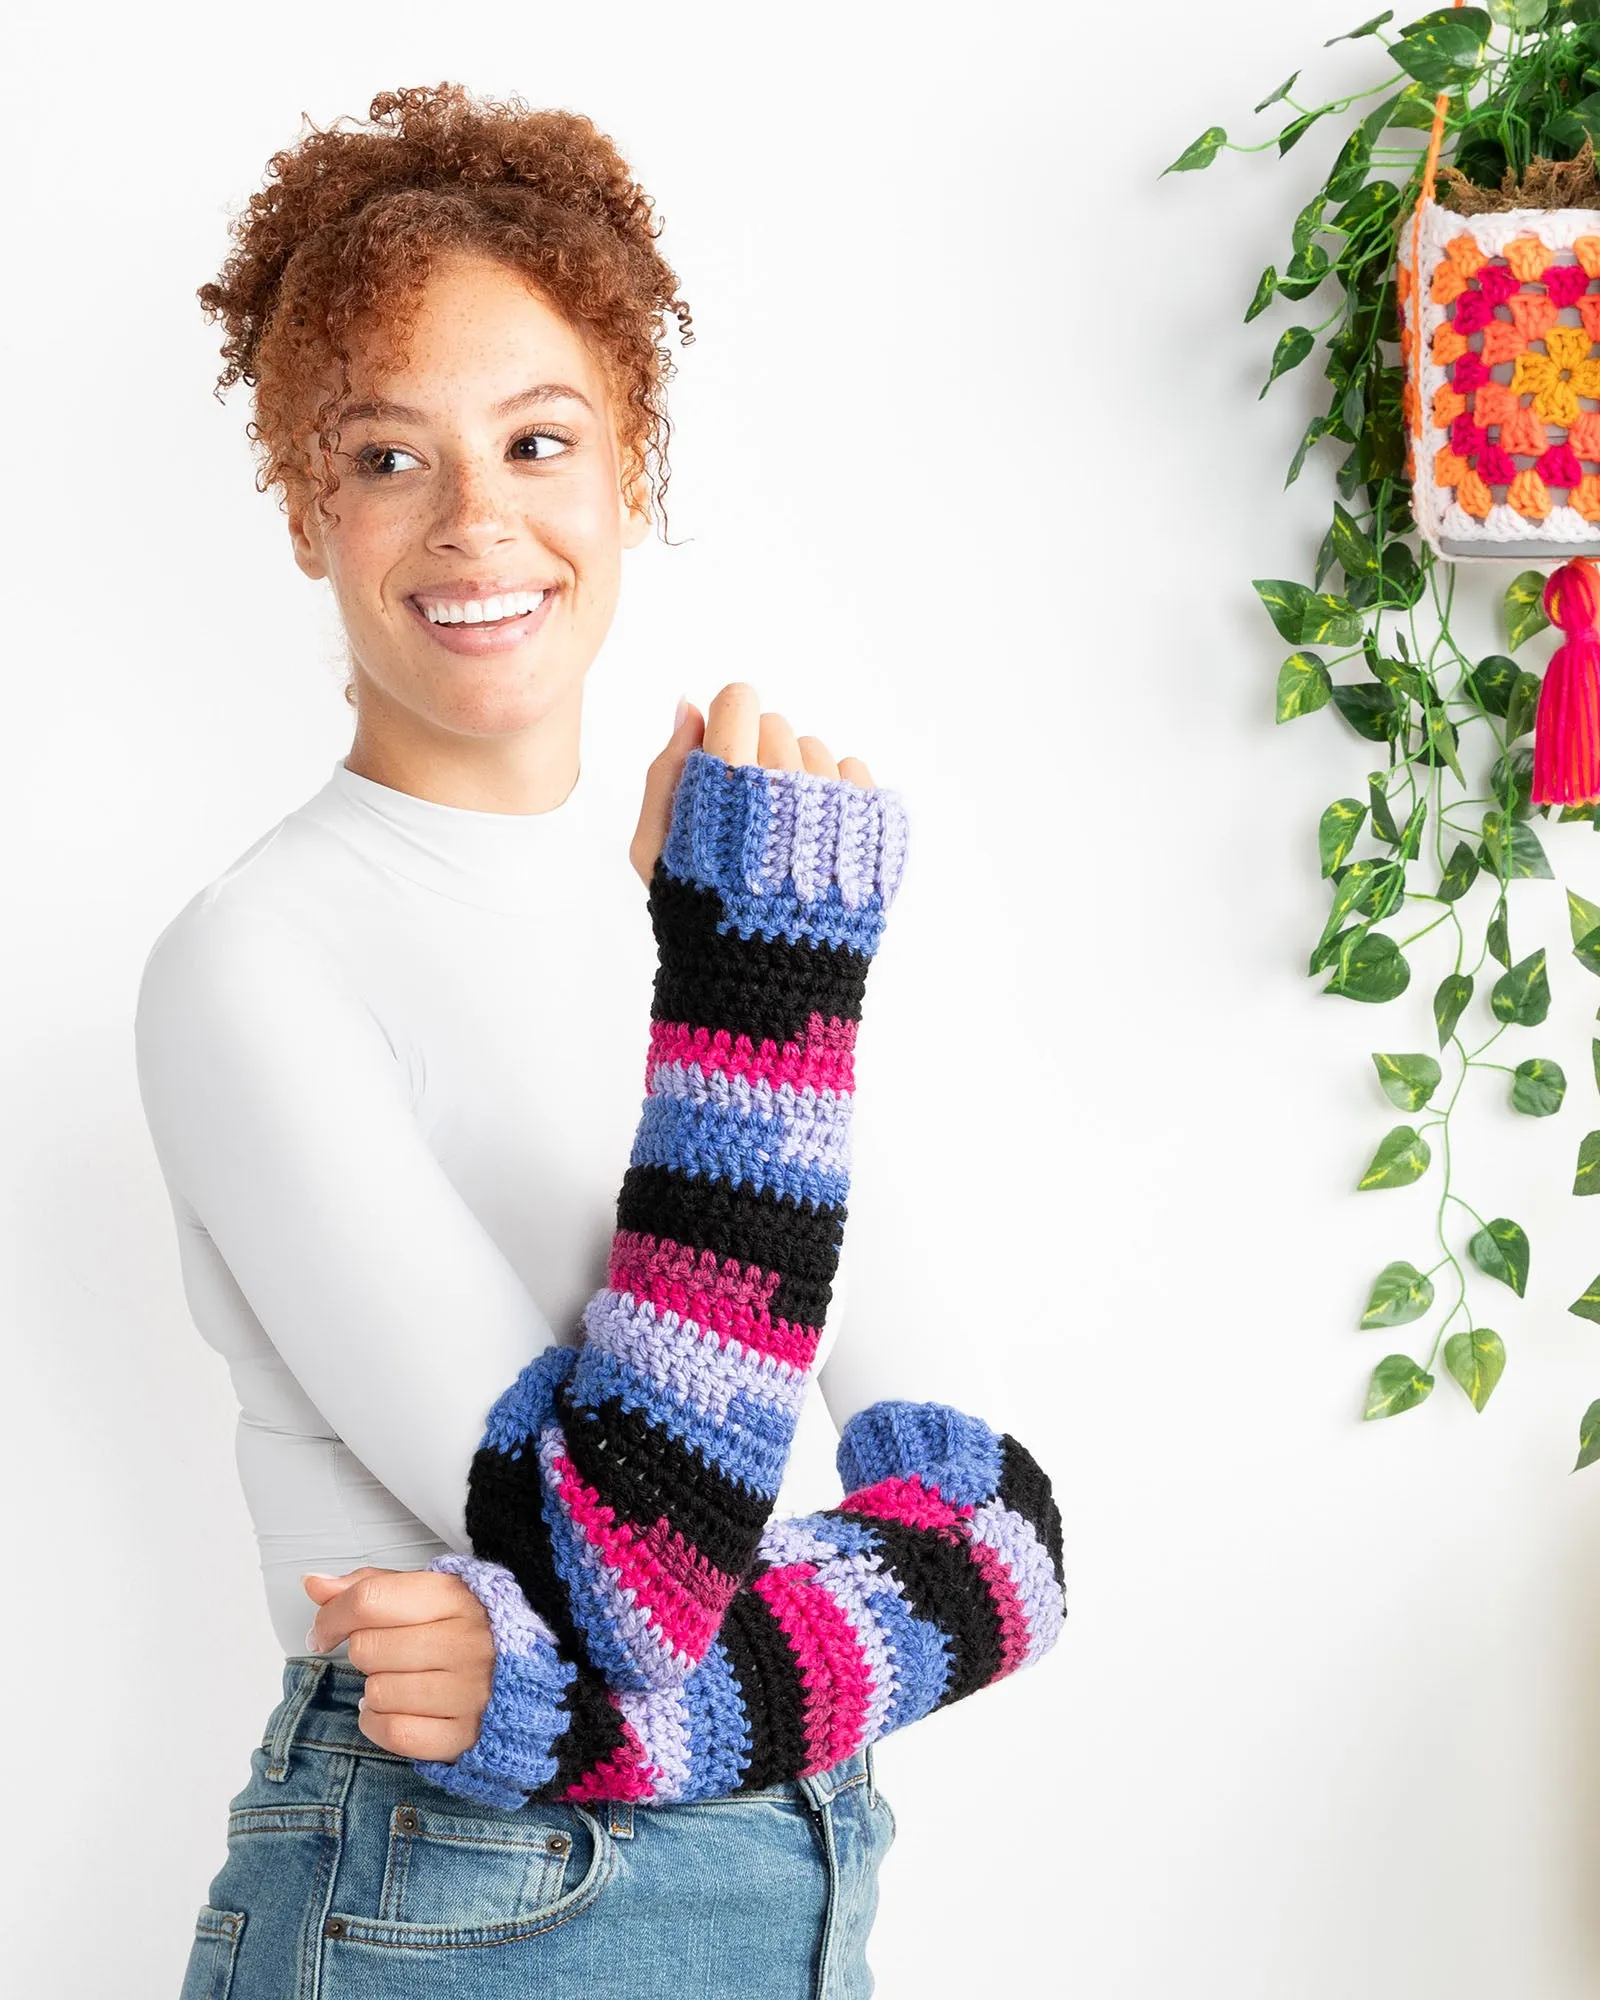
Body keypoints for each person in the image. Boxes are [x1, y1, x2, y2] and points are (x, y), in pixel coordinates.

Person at [134, 83, 1064, 1998]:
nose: (476, 520)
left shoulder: (703, 910)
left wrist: (559, 1707)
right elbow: (620, 1568)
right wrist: (754, 991)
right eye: (388, 456)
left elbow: (1004, 1536)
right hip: (440, 1903)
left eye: (537, 439)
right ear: (309, 507)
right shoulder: (257, 961)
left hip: (793, 1881)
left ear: (627, 464)